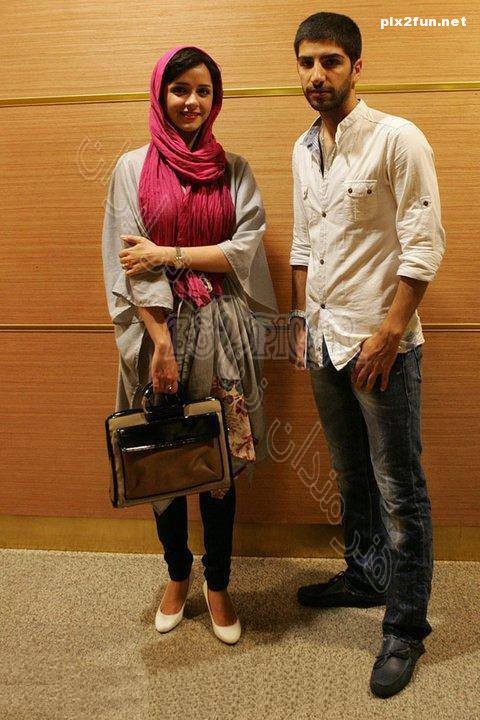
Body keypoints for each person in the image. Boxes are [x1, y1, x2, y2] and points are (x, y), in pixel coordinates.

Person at [288, 13, 445, 697]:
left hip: (381, 347)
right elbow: (304, 241)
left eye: (330, 61)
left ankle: (405, 628)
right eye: (306, 62)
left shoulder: (396, 138)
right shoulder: (303, 147)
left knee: (399, 490)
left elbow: (424, 243)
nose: (316, 74)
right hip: (324, 340)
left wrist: (388, 334)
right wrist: (300, 323)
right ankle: (364, 575)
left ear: (357, 66)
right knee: (351, 476)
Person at [102, 46, 277, 645]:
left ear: (215, 99)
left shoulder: (234, 169)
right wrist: (160, 342)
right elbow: (129, 260)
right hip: (155, 334)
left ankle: (218, 582)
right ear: (160, 94)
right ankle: (178, 574)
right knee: (162, 456)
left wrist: (169, 253)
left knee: (219, 461)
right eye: (180, 89)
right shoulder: (131, 168)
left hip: (220, 330)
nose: (192, 101)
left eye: (203, 91)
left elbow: (244, 249)